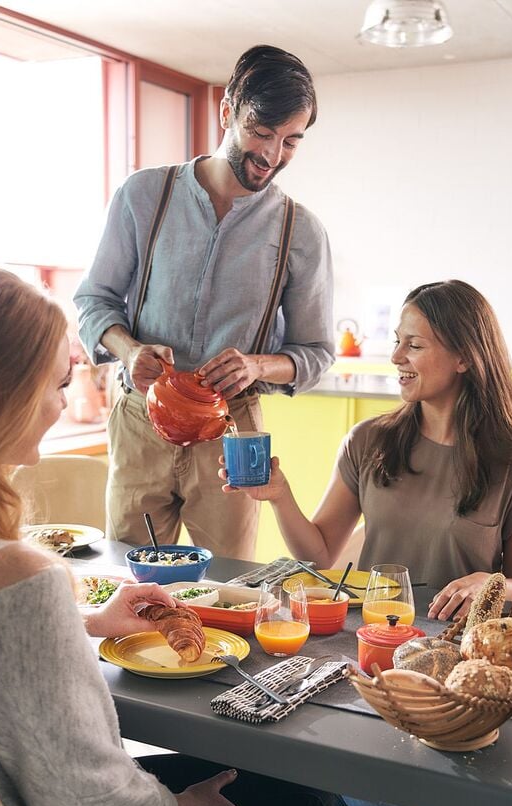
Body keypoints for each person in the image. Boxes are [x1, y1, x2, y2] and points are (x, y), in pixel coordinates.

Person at [0, 267, 390, 806]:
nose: (64, 403)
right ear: (5, 394)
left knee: (293, 790)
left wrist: (89, 621)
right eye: (58, 385)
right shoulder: (22, 576)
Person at [220, 278, 512, 806]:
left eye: (415, 345)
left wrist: (496, 582)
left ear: (463, 356)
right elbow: (321, 552)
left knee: (371, 767)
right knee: (282, 745)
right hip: (369, 646)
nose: (397, 358)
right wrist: (280, 497)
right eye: (396, 342)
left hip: (452, 666)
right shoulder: (370, 441)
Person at [74, 44, 334, 559]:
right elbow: (94, 301)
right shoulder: (143, 195)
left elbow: (317, 352)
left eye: (290, 142)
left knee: (230, 586)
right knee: (132, 578)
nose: (272, 155)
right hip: (140, 419)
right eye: (261, 132)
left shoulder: (300, 231)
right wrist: (129, 351)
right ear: (226, 112)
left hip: (233, 433)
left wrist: (256, 364)